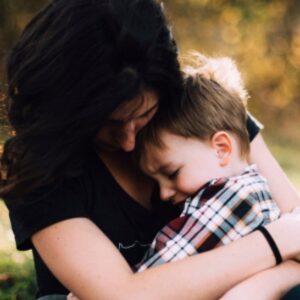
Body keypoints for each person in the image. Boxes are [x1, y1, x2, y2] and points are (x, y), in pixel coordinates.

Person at [1, 0, 300, 299]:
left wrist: (258, 287)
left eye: (144, 114)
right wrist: (275, 242)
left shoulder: (201, 114)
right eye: (109, 123)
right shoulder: (35, 165)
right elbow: (120, 296)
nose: (129, 141)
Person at [134, 54, 281, 271]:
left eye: (172, 173)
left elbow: (161, 272)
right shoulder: (250, 190)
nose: (164, 194)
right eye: (156, 182)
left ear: (222, 149)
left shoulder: (236, 198)